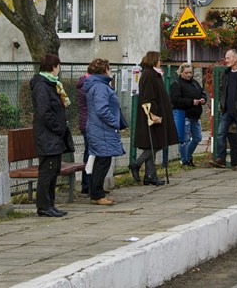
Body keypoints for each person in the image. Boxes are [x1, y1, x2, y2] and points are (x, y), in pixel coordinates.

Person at [30, 54, 75, 217]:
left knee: (54, 169)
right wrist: (58, 128)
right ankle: (43, 205)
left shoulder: (51, 84)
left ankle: (50, 204)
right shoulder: (42, 86)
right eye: (58, 66)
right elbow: (44, 112)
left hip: (53, 136)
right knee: (47, 171)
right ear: (53, 67)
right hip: (47, 135)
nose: (59, 69)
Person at [129, 51, 179, 185]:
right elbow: (148, 97)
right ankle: (137, 164)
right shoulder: (148, 74)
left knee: (153, 144)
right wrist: (153, 114)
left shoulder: (152, 73)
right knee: (156, 144)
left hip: (156, 114)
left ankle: (150, 176)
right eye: (159, 59)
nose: (160, 61)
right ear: (153, 60)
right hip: (152, 115)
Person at [83, 58, 128, 205]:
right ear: (104, 70)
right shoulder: (101, 87)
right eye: (109, 68)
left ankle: (97, 192)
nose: (111, 71)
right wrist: (114, 122)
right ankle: (97, 194)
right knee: (103, 161)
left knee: (101, 161)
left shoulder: (96, 85)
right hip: (102, 128)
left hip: (99, 128)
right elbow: (102, 109)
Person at [169, 63, 207, 167]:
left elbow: (202, 92)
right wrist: (191, 102)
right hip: (183, 115)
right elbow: (175, 100)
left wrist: (204, 99)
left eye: (190, 72)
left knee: (197, 138)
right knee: (184, 140)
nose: (189, 75)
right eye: (186, 73)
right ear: (181, 73)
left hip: (195, 115)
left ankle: (188, 156)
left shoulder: (195, 83)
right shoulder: (176, 84)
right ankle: (185, 160)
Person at [76, 63, 93, 195]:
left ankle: (90, 183)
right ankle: (87, 184)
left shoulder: (86, 84)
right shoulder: (87, 86)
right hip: (89, 124)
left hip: (87, 123)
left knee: (91, 153)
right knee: (90, 154)